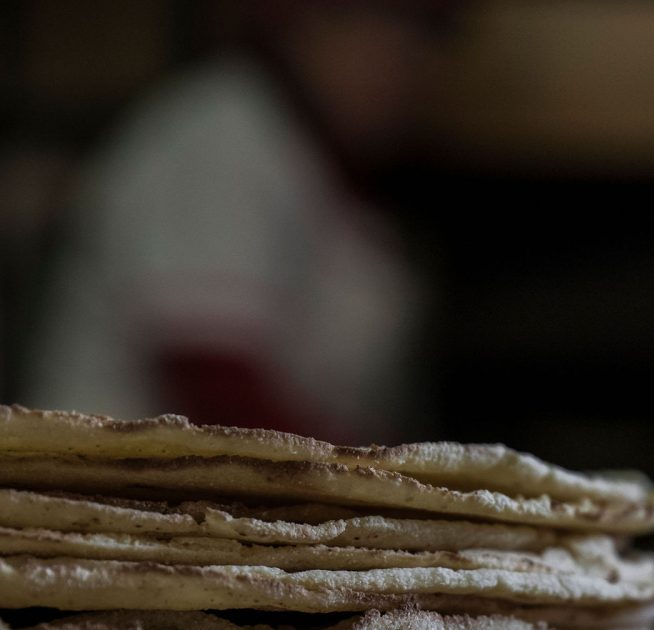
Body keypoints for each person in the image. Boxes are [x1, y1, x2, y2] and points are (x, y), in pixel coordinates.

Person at [25, 0, 458, 440]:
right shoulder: (220, 133)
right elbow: (216, 385)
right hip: (110, 490)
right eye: (377, 23)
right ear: (299, 24)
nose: (402, 57)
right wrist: (359, 480)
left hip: (240, 497)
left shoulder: (332, 169)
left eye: (426, 33)